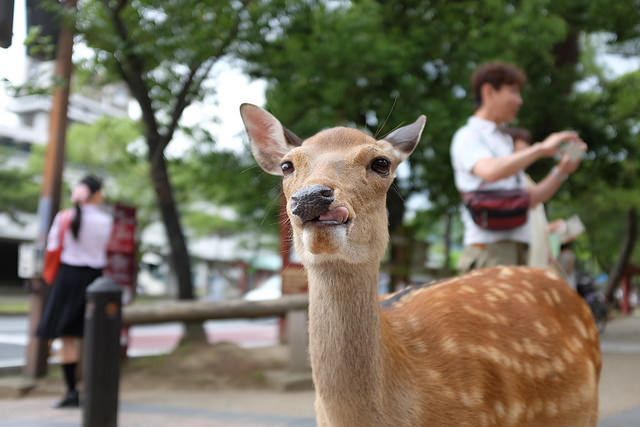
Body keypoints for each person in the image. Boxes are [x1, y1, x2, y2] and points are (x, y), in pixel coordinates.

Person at [451, 62, 586, 273]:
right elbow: (490, 171)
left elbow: (531, 199)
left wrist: (562, 171)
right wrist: (541, 149)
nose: (519, 101)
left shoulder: (503, 141)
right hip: (489, 252)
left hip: (519, 251)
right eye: (513, 92)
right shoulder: (468, 135)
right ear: (489, 92)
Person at [37, 176, 113, 408]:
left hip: (67, 277)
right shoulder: (106, 221)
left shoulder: (64, 218)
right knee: (93, 335)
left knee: (67, 338)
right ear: (97, 194)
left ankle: (72, 391)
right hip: (95, 280)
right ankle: (96, 388)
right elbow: (104, 250)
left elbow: (51, 247)